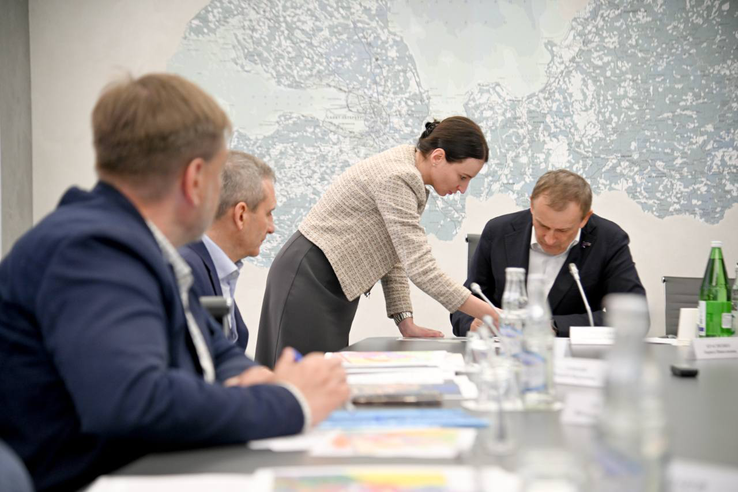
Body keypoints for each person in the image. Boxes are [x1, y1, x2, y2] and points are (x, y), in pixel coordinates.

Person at [0, 73, 349, 492]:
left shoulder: (140, 242)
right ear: (195, 178)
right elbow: (134, 400)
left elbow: (212, 347)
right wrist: (289, 403)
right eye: (219, 175)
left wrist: (262, 380)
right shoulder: (93, 249)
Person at [256, 116, 500, 367]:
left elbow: (393, 251)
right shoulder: (399, 176)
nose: (463, 188)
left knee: (320, 376)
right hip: (310, 276)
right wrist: (494, 315)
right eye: (463, 176)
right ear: (438, 157)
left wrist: (404, 320)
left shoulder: (407, 169)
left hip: (327, 281)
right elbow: (422, 268)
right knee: (301, 378)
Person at [450, 169, 646, 337]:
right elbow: (464, 305)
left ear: (585, 218)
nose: (550, 239)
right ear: (532, 206)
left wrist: (553, 327)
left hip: (574, 358)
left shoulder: (608, 239)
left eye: (563, 230)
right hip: (503, 354)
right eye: (542, 225)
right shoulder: (498, 231)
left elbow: (633, 317)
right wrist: (472, 324)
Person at [180, 151, 276, 351]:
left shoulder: (212, 268)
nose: (271, 228)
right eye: (268, 214)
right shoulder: (187, 273)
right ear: (241, 215)